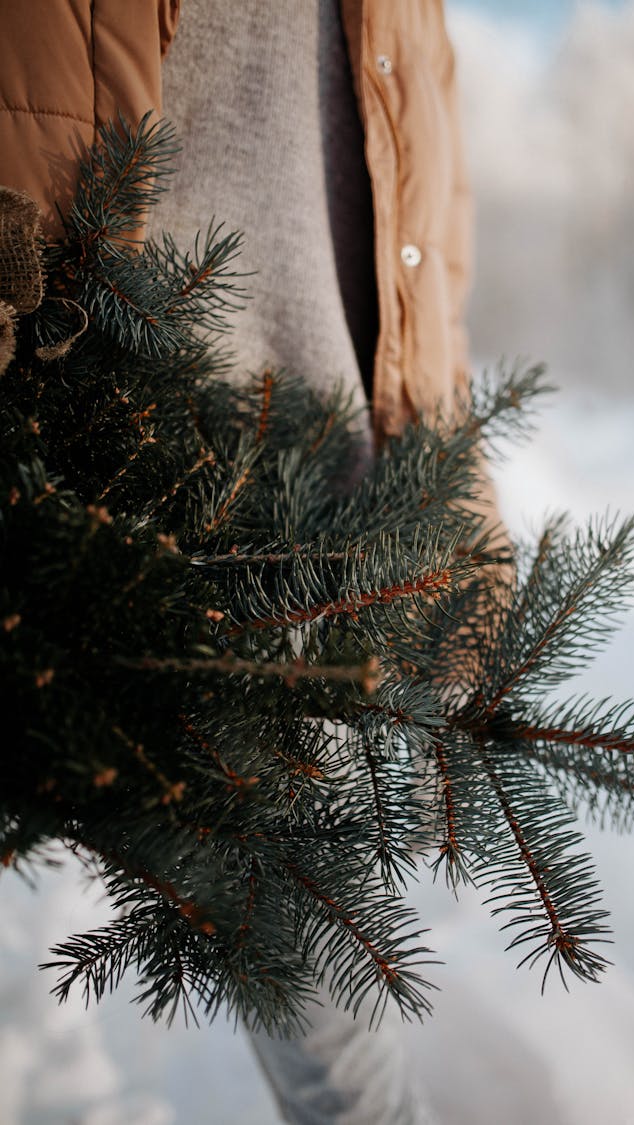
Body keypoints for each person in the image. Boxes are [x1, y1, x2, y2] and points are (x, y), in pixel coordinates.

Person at [0, 3, 499, 1120]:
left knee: (338, 1031)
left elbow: (438, 296)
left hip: (340, 550)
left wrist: (467, 529)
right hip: (108, 513)